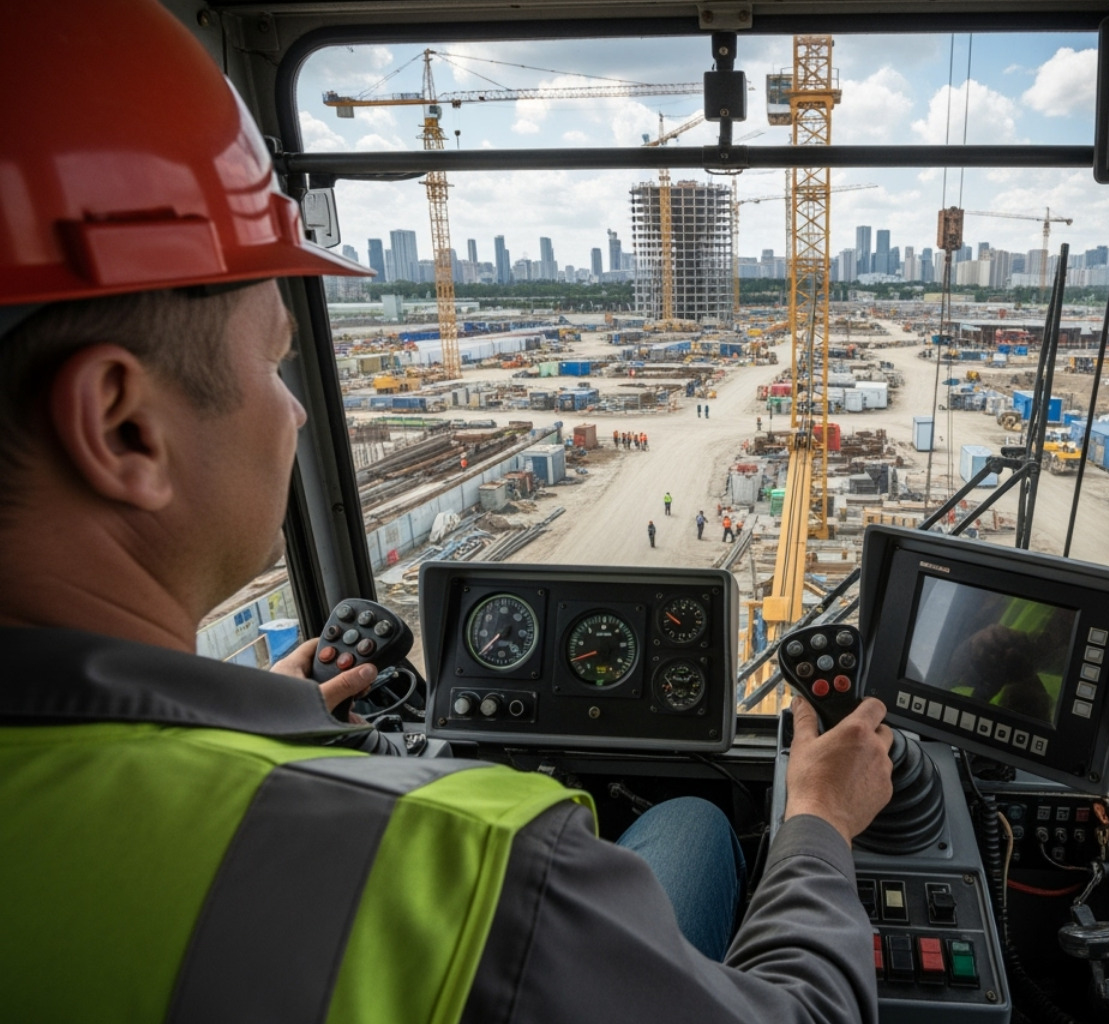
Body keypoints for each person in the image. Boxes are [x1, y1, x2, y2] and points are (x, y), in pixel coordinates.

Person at [0, 4, 896, 1022]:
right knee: (693, 819)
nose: (296, 411)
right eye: (276, 363)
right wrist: (819, 820)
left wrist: (263, 718)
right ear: (124, 429)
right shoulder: (478, 858)